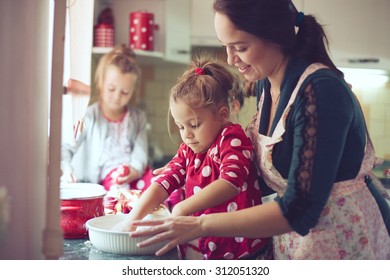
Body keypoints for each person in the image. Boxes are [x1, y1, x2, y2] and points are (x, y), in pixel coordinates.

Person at [129, 0, 390, 259]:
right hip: (294, 243)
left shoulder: (320, 91)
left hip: (343, 243)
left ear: (275, 37)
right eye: (225, 46)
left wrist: (198, 224)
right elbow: (258, 170)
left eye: (240, 47)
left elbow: (300, 209)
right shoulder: (267, 84)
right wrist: (200, 170)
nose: (231, 58)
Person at [116, 57, 272, 260]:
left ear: (222, 115)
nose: (187, 134)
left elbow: (230, 182)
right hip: (213, 248)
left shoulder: (232, 138)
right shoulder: (189, 150)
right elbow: (164, 182)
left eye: (194, 125)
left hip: (245, 250)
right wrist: (131, 219)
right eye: (181, 127)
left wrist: (181, 207)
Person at [61, 44, 153, 195]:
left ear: (133, 92)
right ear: (101, 83)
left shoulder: (138, 118)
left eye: (125, 92)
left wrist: (134, 170)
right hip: (107, 183)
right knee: (120, 197)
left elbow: (140, 152)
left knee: (161, 186)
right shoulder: (89, 116)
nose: (117, 97)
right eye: (111, 89)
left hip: (135, 174)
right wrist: (65, 167)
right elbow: (68, 147)